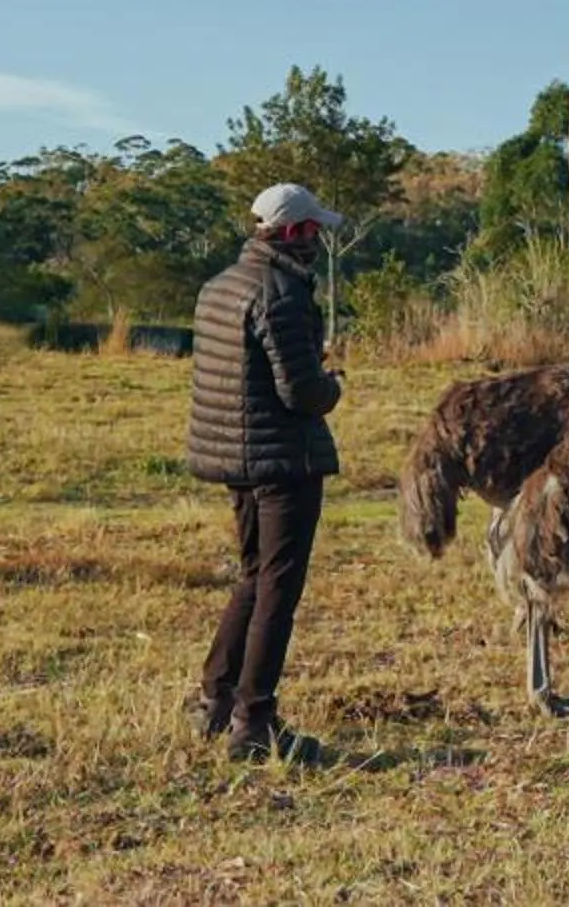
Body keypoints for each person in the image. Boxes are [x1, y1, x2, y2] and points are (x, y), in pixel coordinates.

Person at [186, 181, 348, 765]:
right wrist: (334, 389)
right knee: (279, 587)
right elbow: (301, 391)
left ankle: (216, 699)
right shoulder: (281, 291)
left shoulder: (219, 286)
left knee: (254, 576)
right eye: (315, 231)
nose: (319, 241)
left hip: (234, 457)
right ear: (296, 232)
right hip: (284, 460)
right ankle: (254, 723)